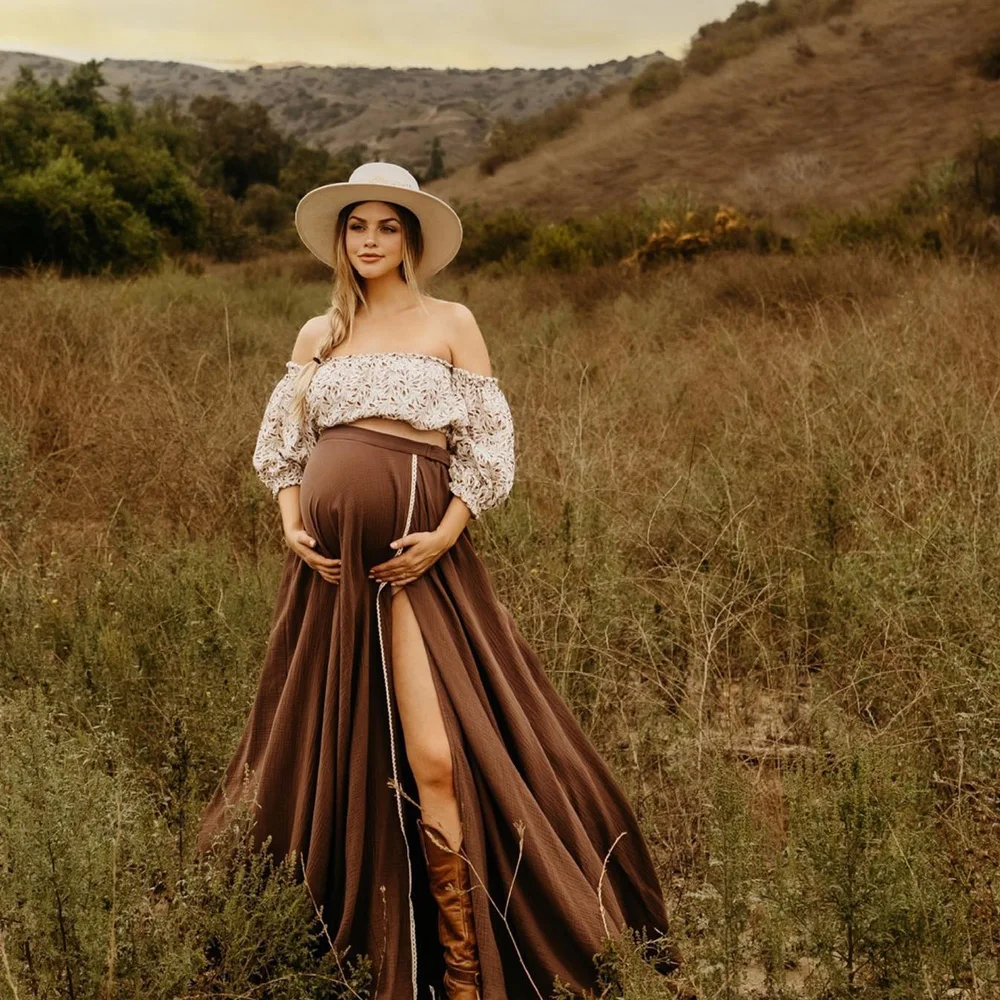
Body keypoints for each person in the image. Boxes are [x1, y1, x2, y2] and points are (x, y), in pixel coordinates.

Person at [196, 162, 681, 1000]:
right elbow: (283, 447)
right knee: (329, 743)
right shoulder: (321, 335)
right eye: (358, 227)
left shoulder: (450, 322)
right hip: (332, 571)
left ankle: (463, 972)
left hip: (418, 564)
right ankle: (352, 937)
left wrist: (441, 538)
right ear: (341, 240)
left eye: (387, 227)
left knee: (434, 755)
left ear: (411, 239)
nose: (372, 240)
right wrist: (291, 524)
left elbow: (487, 451)